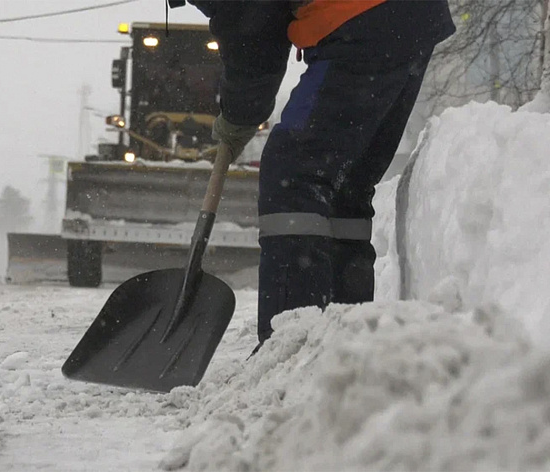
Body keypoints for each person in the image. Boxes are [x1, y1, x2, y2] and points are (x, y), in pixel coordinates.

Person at [184, 0, 455, 347]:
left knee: (294, 172)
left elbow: (252, 27)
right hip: (410, 16)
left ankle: (290, 346)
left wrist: (240, 114)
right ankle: (346, 341)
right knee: (344, 187)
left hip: (358, 16)